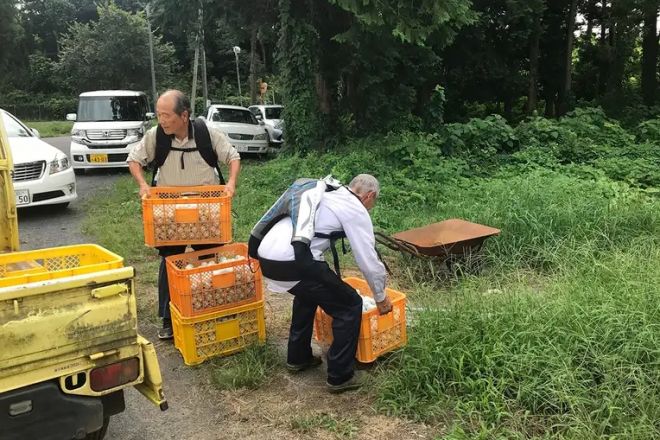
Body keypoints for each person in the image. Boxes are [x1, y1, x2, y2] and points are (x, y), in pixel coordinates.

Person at [255, 174, 392, 393]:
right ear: (370, 196)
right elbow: (368, 260)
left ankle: (298, 357)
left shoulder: (328, 193)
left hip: (267, 258)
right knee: (350, 305)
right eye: (373, 203)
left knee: (308, 292)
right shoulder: (355, 209)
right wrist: (380, 297)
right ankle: (341, 376)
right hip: (292, 261)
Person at [127, 89, 241, 339]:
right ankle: (168, 319)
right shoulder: (156, 136)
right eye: (159, 114)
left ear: (184, 115)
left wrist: (231, 183)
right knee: (170, 261)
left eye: (166, 115)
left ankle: (210, 308)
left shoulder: (206, 133)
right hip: (170, 212)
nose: (162, 120)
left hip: (207, 211)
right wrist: (143, 185)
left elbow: (232, 157)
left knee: (210, 258)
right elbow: (134, 160)